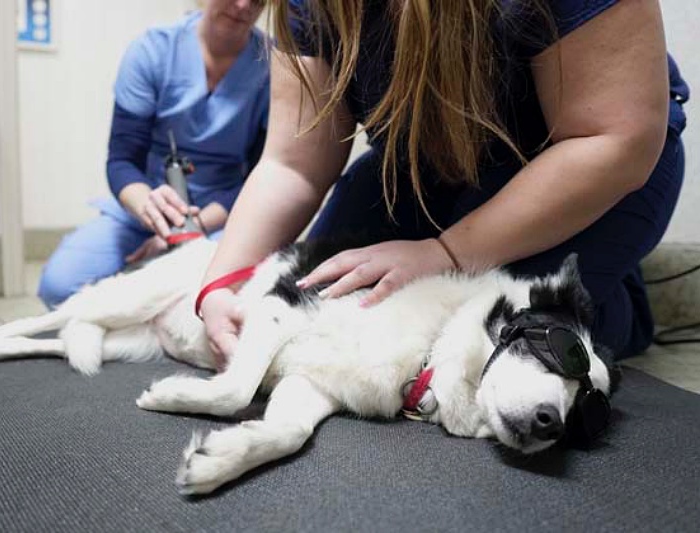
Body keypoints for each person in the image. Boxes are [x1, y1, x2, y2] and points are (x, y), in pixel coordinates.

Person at [197, 0, 689, 364]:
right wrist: (221, 284)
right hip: (425, 162)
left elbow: (615, 139)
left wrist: (443, 254)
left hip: (587, 160)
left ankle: (615, 298)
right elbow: (292, 164)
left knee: (465, 338)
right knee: (320, 309)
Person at [38, 0, 268, 309]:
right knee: (60, 286)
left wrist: (188, 230)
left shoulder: (273, 66)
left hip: (223, 215)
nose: (243, 5)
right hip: (147, 205)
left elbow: (265, 176)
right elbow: (122, 161)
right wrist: (153, 210)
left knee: (211, 292)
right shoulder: (154, 51)